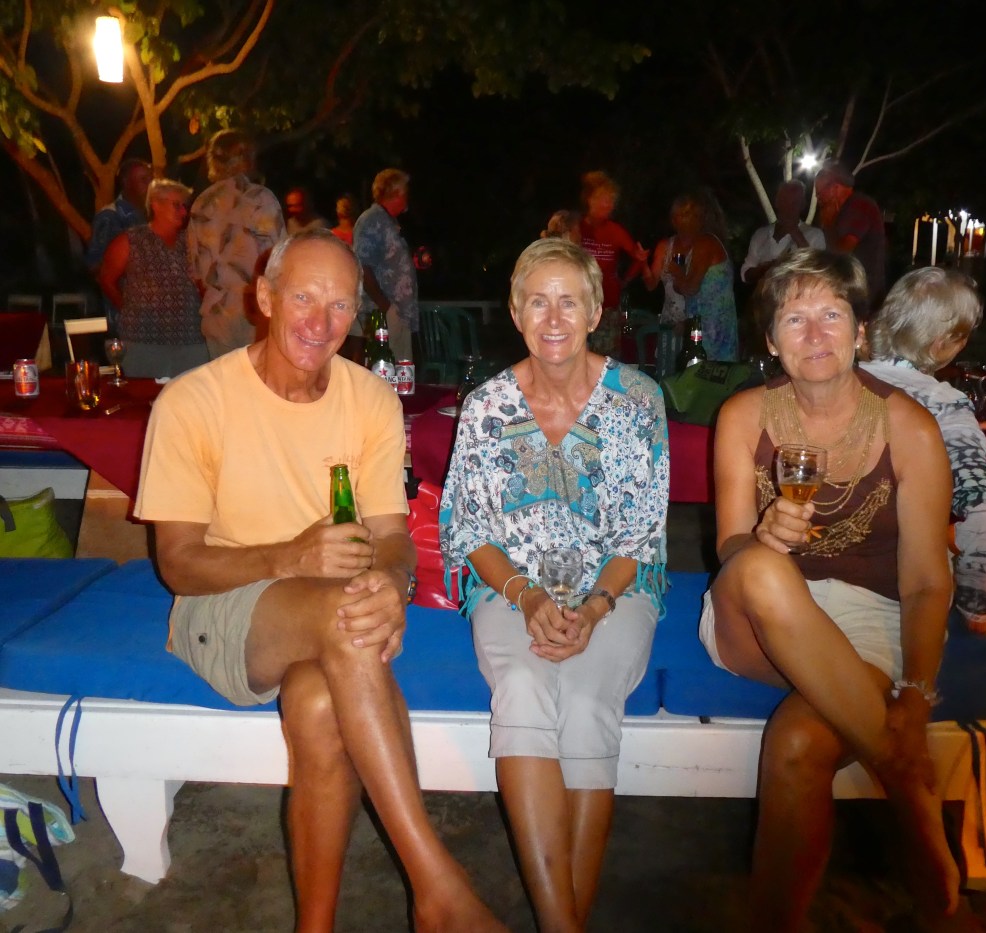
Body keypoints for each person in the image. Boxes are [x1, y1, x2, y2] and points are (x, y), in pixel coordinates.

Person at [133, 230, 503, 933]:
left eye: (338, 305)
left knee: (319, 701)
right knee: (345, 616)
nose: (319, 321)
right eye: (303, 297)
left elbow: (393, 539)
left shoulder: (370, 399)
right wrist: (290, 558)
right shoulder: (193, 401)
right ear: (265, 297)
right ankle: (437, 888)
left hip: (333, 613)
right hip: (222, 606)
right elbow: (177, 562)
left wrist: (393, 583)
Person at [703, 249, 960, 927]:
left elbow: (926, 581)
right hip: (754, 621)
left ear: (861, 331)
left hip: (864, 619)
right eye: (794, 318)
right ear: (770, 340)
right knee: (760, 567)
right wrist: (763, 536)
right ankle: (907, 784)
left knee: (797, 747)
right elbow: (728, 547)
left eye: (831, 314)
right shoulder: (744, 415)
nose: (815, 333)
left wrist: (916, 694)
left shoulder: (908, 426)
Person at [439, 237, 669, 933]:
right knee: (524, 686)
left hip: (617, 587)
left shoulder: (637, 400)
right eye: (538, 302)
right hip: (511, 587)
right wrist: (528, 595)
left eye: (570, 301)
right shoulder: (487, 407)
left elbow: (640, 537)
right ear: (515, 313)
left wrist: (594, 608)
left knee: (590, 698)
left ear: (596, 312)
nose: (554, 317)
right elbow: (470, 529)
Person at [862, 267, 986, 635]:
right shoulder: (943, 406)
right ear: (942, 343)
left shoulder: (838, 382)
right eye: (963, 336)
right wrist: (979, 613)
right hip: (902, 595)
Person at [187, 129, 286, 358]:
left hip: (217, 316)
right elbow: (280, 258)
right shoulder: (261, 198)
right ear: (248, 158)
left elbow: (196, 270)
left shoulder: (201, 203)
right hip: (255, 314)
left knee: (225, 380)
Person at [96, 179, 208, 378]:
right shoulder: (130, 241)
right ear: (156, 205)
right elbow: (106, 279)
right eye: (177, 205)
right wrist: (128, 308)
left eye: (185, 206)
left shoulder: (192, 242)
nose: (183, 212)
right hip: (144, 342)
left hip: (191, 339)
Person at [643, 191, 739, 363]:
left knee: (706, 375)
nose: (678, 220)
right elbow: (683, 289)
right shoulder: (701, 242)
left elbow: (690, 288)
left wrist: (676, 270)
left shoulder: (706, 242)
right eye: (676, 215)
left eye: (686, 214)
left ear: (700, 217)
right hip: (700, 327)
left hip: (712, 331)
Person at [578, 171, 648, 356]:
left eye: (611, 201)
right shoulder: (577, 227)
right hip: (579, 304)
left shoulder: (615, 231)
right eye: (603, 199)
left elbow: (638, 258)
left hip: (607, 305)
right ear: (589, 199)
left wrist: (625, 281)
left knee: (605, 359)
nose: (608, 205)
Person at [354, 168, 418, 362]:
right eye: (405, 191)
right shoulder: (371, 220)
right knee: (387, 370)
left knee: (402, 371)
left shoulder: (389, 221)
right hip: (385, 315)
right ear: (395, 192)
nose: (407, 196)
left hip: (398, 314)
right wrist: (386, 307)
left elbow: (387, 261)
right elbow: (361, 266)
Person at [86, 157, 152, 323]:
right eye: (143, 180)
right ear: (126, 182)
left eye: (151, 180)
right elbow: (97, 268)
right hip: (126, 318)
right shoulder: (110, 217)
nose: (150, 185)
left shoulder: (149, 216)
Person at [815, 160, 887, 312]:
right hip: (855, 290)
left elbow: (841, 253)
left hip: (862, 293)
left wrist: (828, 224)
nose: (818, 199)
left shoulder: (858, 206)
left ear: (835, 188)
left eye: (820, 193)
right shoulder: (846, 209)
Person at [741, 179, 827, 286]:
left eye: (795, 203)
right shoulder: (761, 234)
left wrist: (796, 234)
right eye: (784, 200)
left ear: (803, 205)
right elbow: (745, 273)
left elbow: (818, 272)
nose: (788, 207)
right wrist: (765, 269)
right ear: (776, 202)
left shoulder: (815, 235)